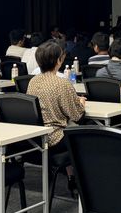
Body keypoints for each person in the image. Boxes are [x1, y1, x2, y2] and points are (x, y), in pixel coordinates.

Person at [26, 40, 85, 194]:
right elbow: (76, 115)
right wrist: (81, 103)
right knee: (83, 134)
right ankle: (83, 184)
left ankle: (72, 177)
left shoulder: (33, 81)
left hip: (37, 137)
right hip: (55, 138)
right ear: (58, 60)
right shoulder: (62, 83)